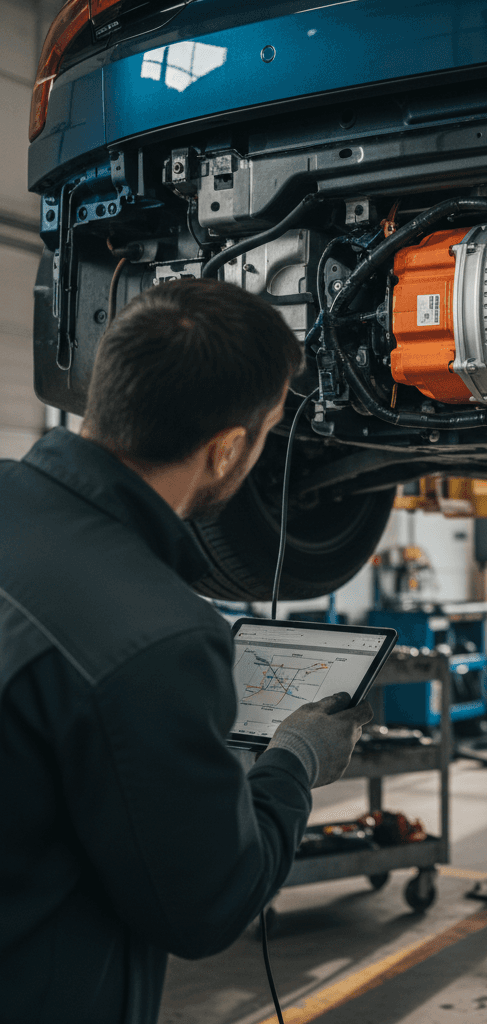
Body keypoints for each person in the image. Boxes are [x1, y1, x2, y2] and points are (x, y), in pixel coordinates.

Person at [0, 278, 372, 1024]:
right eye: (268, 431)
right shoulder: (160, 637)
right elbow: (207, 906)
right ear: (230, 449)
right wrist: (294, 762)